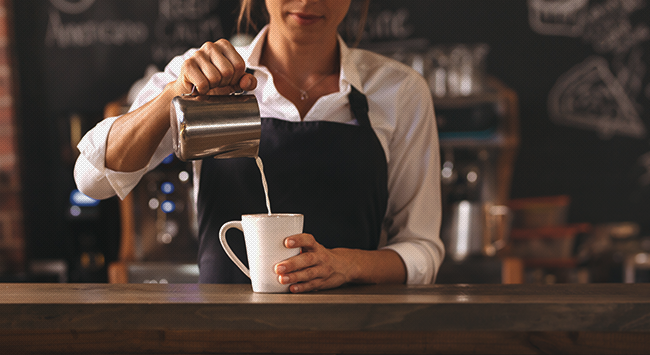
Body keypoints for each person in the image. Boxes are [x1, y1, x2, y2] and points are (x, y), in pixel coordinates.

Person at [74, 0, 444, 293]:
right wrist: (175, 95)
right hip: (224, 332)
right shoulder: (201, 75)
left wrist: (347, 264)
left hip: (352, 333)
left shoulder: (399, 91)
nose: (307, 0)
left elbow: (421, 250)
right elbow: (92, 179)